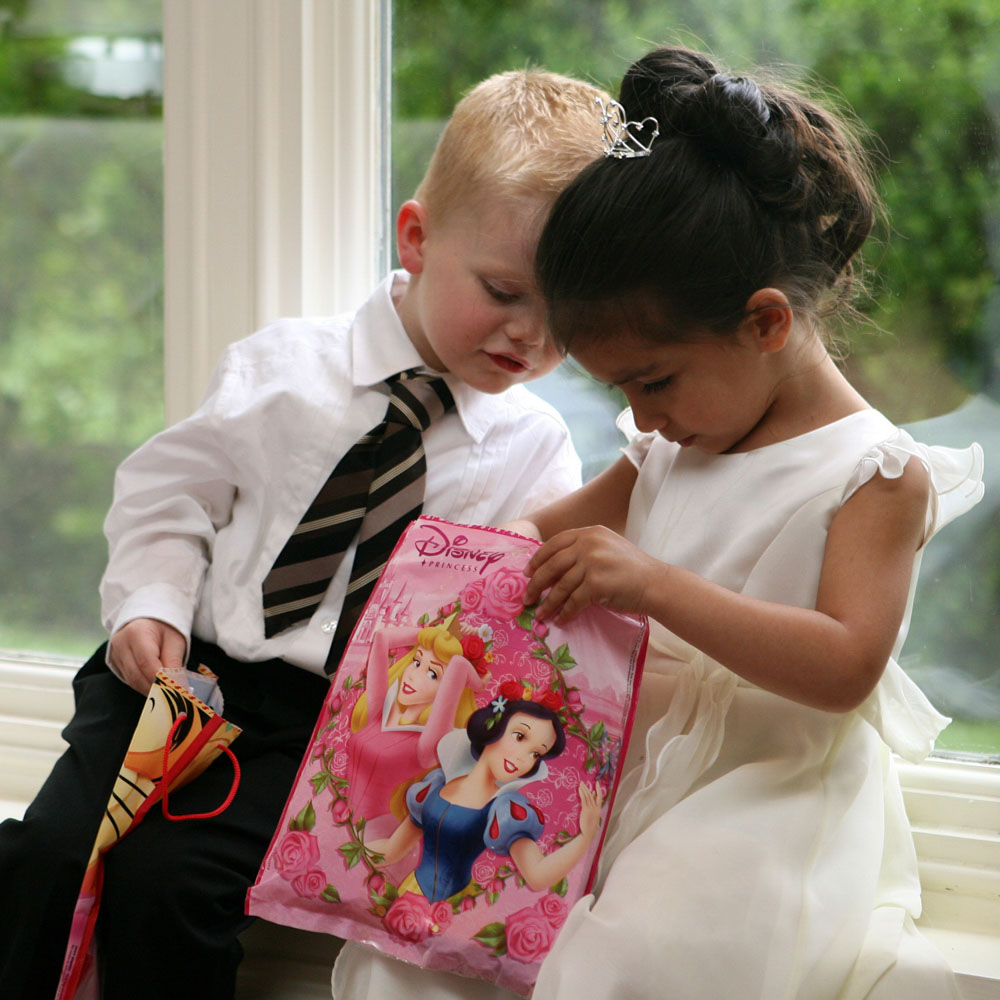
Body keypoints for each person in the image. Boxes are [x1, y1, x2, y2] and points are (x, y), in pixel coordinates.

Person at [331, 46, 985, 1000]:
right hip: (611, 762)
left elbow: (846, 664)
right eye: (621, 390)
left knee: (630, 965)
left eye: (654, 380)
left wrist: (653, 586)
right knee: (428, 947)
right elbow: (531, 543)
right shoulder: (674, 442)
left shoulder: (873, 474)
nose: (639, 417)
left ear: (765, 322)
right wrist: (434, 587)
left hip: (756, 800)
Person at [0, 68, 611, 1000]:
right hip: (178, 676)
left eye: (567, 316)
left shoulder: (535, 454)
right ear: (416, 237)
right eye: (502, 291)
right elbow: (169, 494)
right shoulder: (286, 367)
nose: (529, 335)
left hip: (325, 731)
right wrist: (149, 605)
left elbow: (512, 627)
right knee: (45, 855)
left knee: (174, 888)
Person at [367, 687, 603, 904]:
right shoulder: (437, 784)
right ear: (494, 727)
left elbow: (538, 876)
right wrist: (341, 850)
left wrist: (586, 836)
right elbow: (391, 850)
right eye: (520, 737)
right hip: (408, 893)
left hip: (449, 907)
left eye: (535, 754)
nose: (524, 758)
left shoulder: (504, 810)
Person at [346, 620, 486, 822]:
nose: (413, 676)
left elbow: (459, 666)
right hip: (338, 821)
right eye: (417, 662)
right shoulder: (380, 711)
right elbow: (382, 637)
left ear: (448, 688)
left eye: (432, 674)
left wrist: (478, 684)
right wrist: (429, 634)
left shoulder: (429, 743)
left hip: (376, 836)